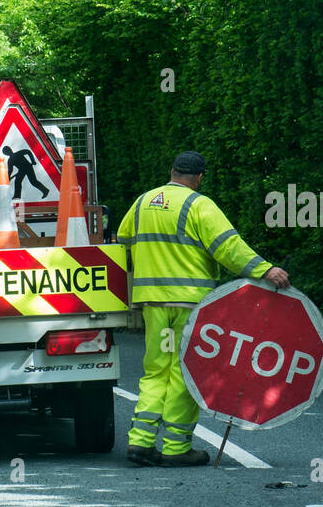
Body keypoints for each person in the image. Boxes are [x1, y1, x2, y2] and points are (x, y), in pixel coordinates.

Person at [116, 151, 290, 467]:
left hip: (153, 302)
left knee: (156, 370)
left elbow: (123, 239)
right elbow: (228, 248)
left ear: (171, 171)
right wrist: (265, 270)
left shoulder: (143, 202)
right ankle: (175, 448)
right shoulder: (199, 205)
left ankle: (139, 443)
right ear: (199, 178)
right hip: (191, 304)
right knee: (185, 372)